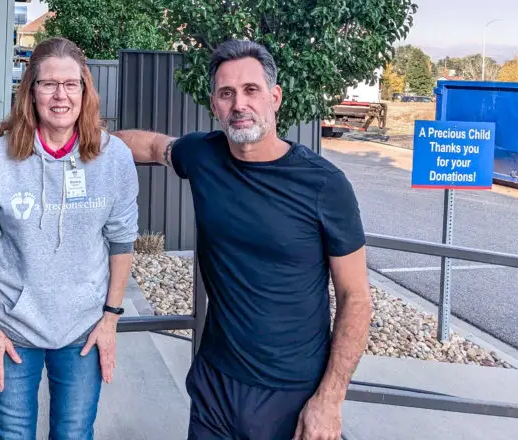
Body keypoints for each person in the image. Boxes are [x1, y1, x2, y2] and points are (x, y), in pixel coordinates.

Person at [115, 39, 372, 440]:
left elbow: (356, 297)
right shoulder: (203, 156)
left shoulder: (324, 185)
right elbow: (149, 146)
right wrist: (64, 143)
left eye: (251, 90)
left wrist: (329, 400)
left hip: (292, 394)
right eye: (226, 93)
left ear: (275, 97)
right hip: (215, 385)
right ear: (214, 104)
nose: (239, 104)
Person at [0, 36, 139, 440]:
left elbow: (122, 240)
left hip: (83, 326)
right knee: (11, 435)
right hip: (10, 328)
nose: (61, 96)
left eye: (71, 84)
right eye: (48, 84)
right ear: (31, 92)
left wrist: (110, 318)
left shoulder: (114, 158)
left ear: (85, 91)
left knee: (74, 433)